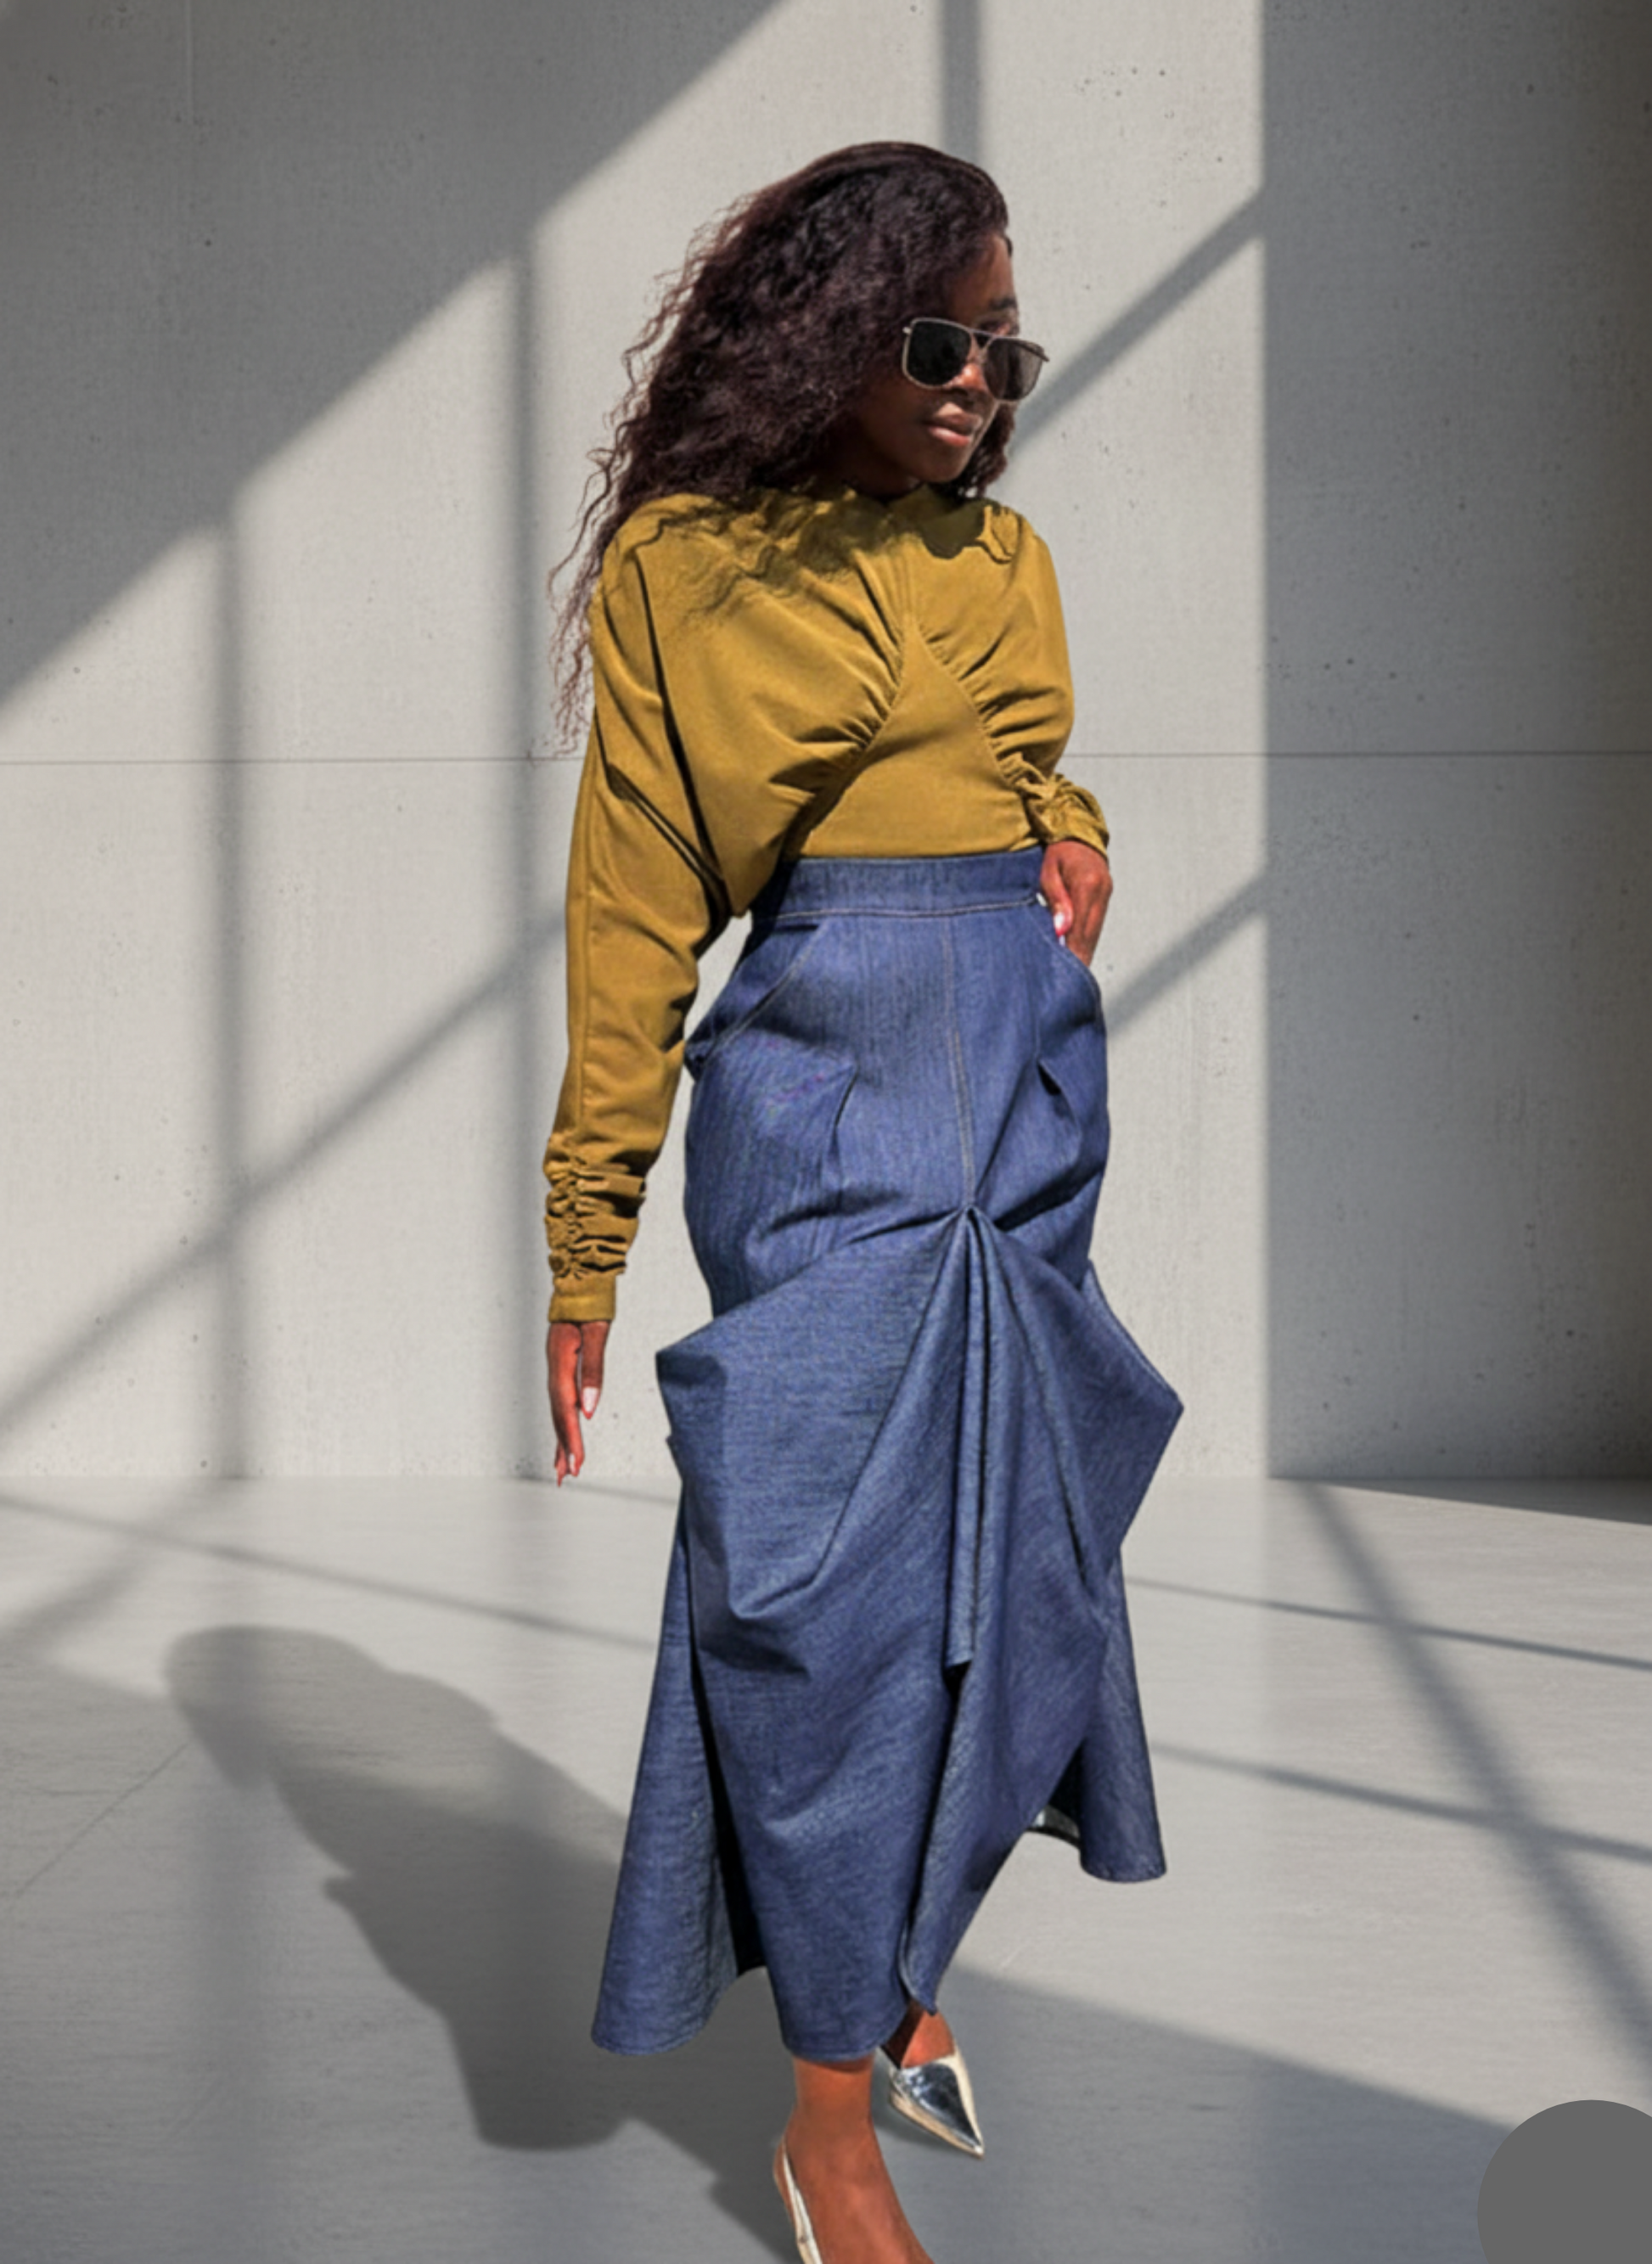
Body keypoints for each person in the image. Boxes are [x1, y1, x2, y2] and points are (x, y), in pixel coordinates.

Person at [542, 143, 1180, 2264]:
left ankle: (890, 1976)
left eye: (1006, 345)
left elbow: (1019, 763)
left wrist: (1070, 837)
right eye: (942, 339)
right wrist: (585, 1235)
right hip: (827, 1102)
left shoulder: (1004, 551)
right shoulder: (683, 564)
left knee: (1022, 1568)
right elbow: (635, 915)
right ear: (834, 332)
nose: (981, 380)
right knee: (819, 1611)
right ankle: (830, 2126)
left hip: (1021, 1094)